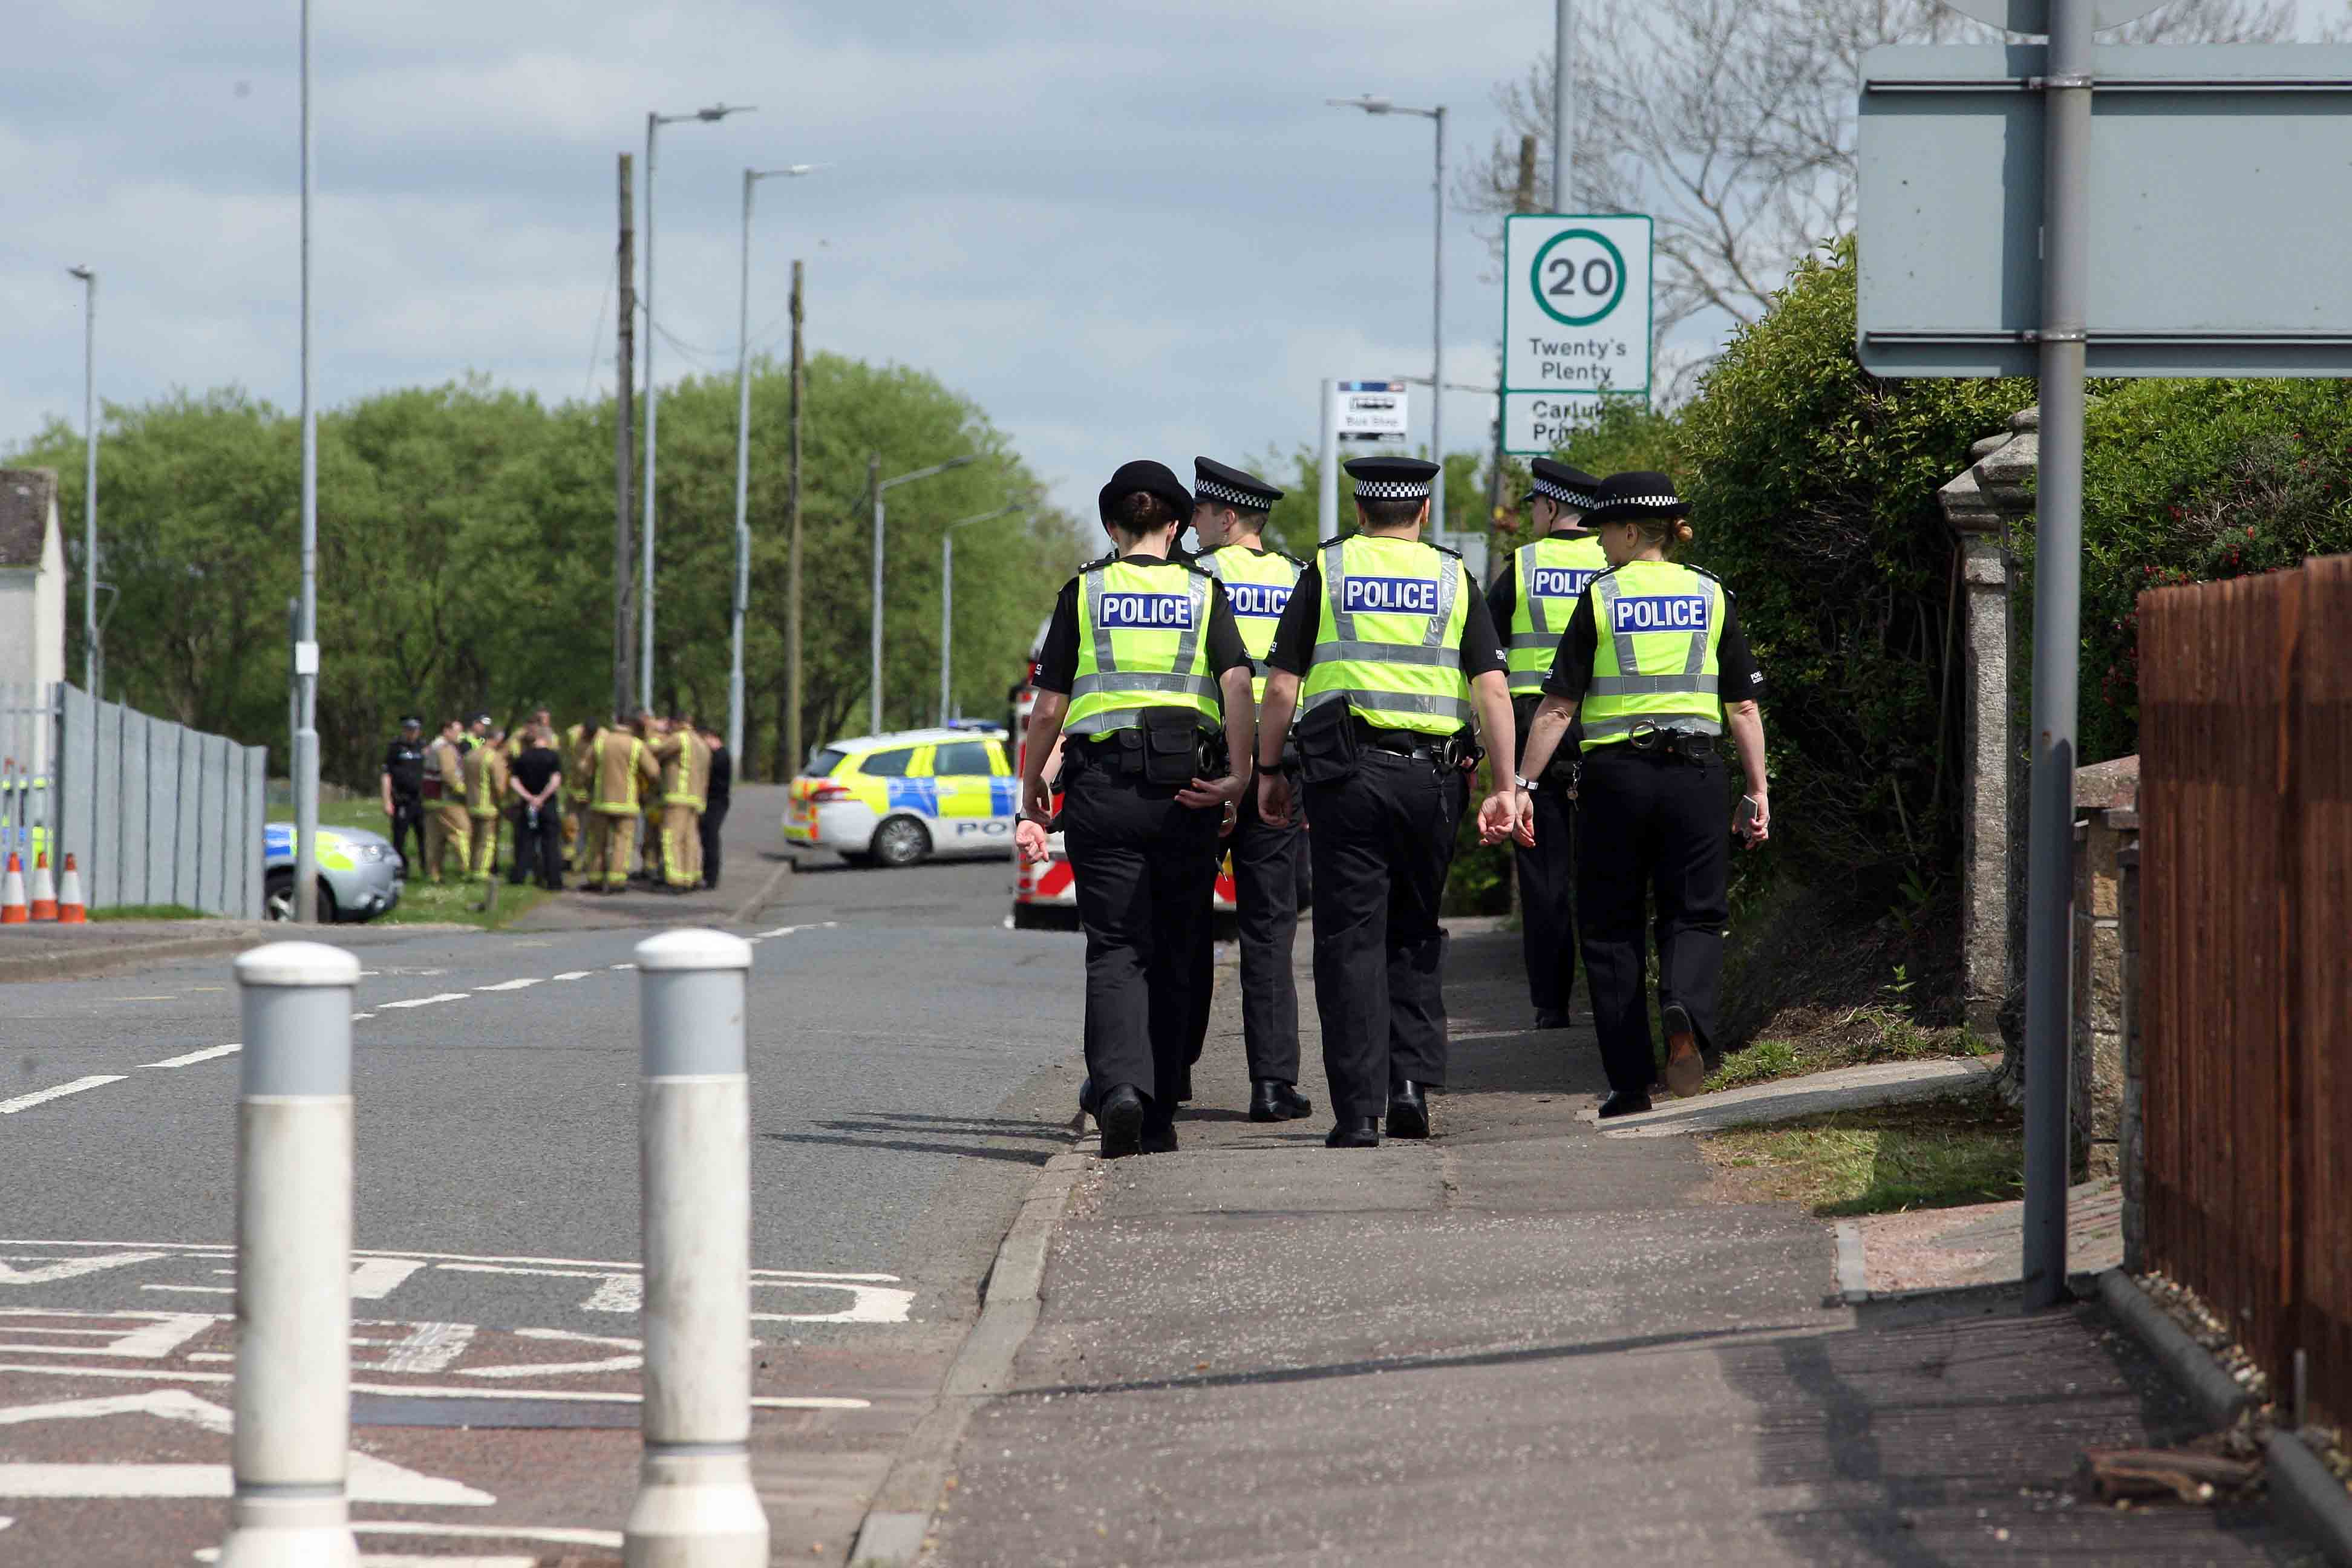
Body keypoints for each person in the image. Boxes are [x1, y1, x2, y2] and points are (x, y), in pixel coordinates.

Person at [1254, 455, 1518, 1149]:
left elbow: (1282, 685)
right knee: (1415, 931)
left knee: (1349, 939)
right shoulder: (1452, 575)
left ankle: (1359, 1113)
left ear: (1361, 510)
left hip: (1347, 779)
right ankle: (1410, 1088)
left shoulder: (1329, 569)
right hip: (1431, 781)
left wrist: (1269, 768)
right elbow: (1492, 689)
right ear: (1423, 512)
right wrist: (1504, 787)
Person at [1496, 471, 1772, 1117]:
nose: (1598, 547)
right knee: (1696, 913)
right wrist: (1757, 791)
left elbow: (1558, 708)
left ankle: (1626, 1083)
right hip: (1698, 777)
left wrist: (1524, 785)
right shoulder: (1710, 593)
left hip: (1616, 780)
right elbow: (1744, 707)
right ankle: (1681, 1014)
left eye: (1603, 534)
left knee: (1611, 925)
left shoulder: (1602, 597)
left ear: (1627, 531)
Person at [1016, 460, 1255, 1158]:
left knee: (1116, 947)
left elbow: (1051, 705)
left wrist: (1034, 782)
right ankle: (1157, 1114)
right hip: (1186, 792)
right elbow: (1237, 685)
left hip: (1101, 791)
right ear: (1177, 526)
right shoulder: (1205, 591)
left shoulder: (1083, 593)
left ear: (1114, 526)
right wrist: (1238, 775)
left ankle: (1120, 1087)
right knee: (1179, 945)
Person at [1189, 456, 1312, 1123]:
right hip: (1278, 767)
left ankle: (1167, 1073)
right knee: (1269, 930)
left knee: (1180, 923)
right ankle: (1272, 1085)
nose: (1194, 526)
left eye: (1202, 515)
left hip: (1196, 765)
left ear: (1226, 517)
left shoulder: (1192, 576)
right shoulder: (1299, 578)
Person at [1485, 458, 1607, 1030]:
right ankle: (1611, 993)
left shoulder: (1523, 566)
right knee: (1608, 869)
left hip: (1535, 724)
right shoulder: (1615, 560)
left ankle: (1551, 1004)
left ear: (1553, 508)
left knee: (1543, 873)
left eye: (1536, 505)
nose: (1533, 514)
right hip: (1603, 723)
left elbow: (1485, 654)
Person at [581, 712, 662, 893]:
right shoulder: (636, 745)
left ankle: (595, 879)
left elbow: (585, 770)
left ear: (615, 724)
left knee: (598, 843)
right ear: (631, 726)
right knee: (622, 842)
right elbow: (654, 772)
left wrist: (589, 788)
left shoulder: (600, 742)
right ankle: (616, 881)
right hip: (627, 803)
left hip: (601, 801)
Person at [655, 714, 710, 893]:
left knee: (672, 838)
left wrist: (655, 733)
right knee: (691, 840)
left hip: (677, 796)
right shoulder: (702, 743)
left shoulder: (679, 739)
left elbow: (657, 751)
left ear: (677, 723)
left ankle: (675, 880)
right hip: (696, 799)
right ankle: (691, 876)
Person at [507, 724, 566, 890]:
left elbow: (514, 781)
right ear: (545, 738)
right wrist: (542, 797)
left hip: (528, 805)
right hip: (547, 805)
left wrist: (529, 797)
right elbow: (555, 781)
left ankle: (519, 876)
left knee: (525, 841)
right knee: (551, 843)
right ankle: (554, 881)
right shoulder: (553, 757)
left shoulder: (523, 757)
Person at [463, 724, 512, 906]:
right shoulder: (493, 757)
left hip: (471, 804)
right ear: (496, 739)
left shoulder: (470, 755)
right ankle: (481, 872)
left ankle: (470, 869)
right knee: (487, 841)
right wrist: (503, 801)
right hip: (488, 806)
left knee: (473, 840)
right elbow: (499, 785)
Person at [379, 716, 428, 876]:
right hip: (402, 799)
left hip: (420, 800)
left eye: (416, 730)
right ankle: (401, 869)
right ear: (404, 730)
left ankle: (427, 868)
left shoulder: (423, 747)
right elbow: (387, 775)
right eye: (410, 730)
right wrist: (387, 801)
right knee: (400, 838)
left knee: (425, 837)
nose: (413, 733)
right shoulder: (396, 748)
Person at [425, 719, 472, 881]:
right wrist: (465, 792)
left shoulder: (433, 746)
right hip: (448, 800)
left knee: (435, 840)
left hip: (431, 800)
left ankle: (434, 874)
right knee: (462, 833)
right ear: (447, 731)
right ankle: (468, 872)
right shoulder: (444, 749)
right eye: (457, 731)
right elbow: (450, 774)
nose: (461, 735)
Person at [699, 725, 731, 890]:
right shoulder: (720, 755)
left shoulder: (720, 756)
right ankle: (707, 874)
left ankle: (711, 877)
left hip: (716, 802)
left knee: (711, 838)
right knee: (707, 838)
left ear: (712, 737)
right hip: (714, 801)